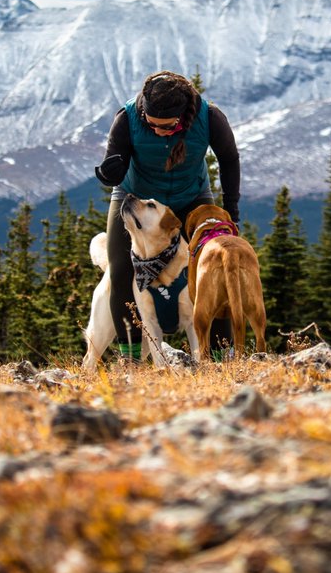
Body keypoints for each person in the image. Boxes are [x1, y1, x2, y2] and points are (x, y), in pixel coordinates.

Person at [94, 70, 241, 359]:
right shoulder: (126, 118)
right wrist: (110, 173)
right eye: (152, 124)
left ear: (183, 116)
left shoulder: (210, 117)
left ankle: (222, 355)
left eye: (168, 126)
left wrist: (230, 212)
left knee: (215, 267)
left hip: (192, 197)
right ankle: (131, 356)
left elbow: (229, 159)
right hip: (136, 199)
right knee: (121, 270)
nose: (159, 131)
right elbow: (114, 165)